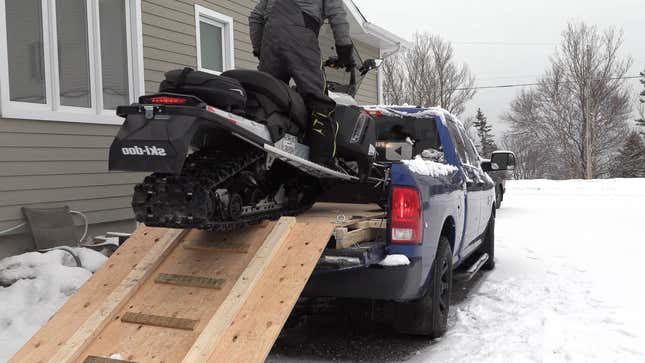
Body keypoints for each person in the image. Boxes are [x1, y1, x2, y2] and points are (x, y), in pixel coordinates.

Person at [249, 0, 354, 167]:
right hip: (301, 35)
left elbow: (255, 17)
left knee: (268, 97)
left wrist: (260, 49)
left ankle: (255, 158)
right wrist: (344, 50)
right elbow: (337, 14)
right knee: (317, 99)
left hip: (270, 39)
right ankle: (322, 162)